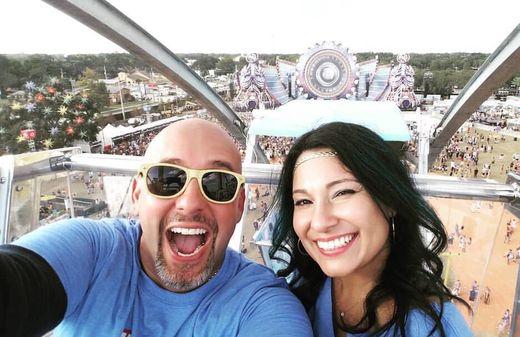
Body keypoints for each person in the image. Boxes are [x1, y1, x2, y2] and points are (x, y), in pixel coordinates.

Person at [0, 119, 311, 337]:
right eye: (166, 178)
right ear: (137, 193)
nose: (190, 203)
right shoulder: (92, 253)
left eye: (218, 183)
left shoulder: (260, 305)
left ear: (240, 204)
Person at [270, 122, 472, 337]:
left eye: (343, 192)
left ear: (390, 198)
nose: (320, 222)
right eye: (303, 202)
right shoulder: (298, 293)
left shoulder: (433, 329)